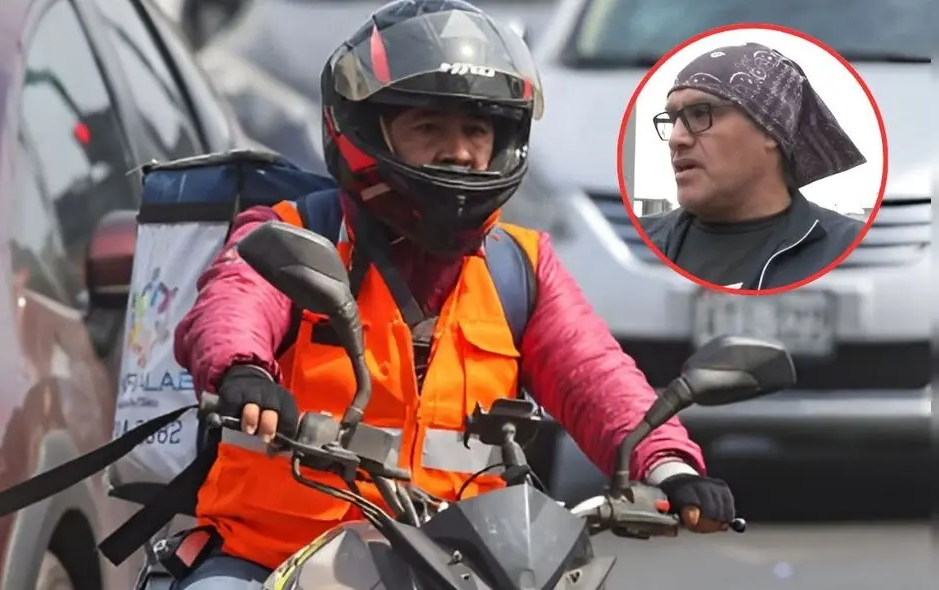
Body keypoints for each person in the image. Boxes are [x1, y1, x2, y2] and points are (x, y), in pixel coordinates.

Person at [171, 1, 734, 587]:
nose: (459, 151)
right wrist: (242, 371)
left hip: (464, 568)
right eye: (428, 128)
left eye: (476, 130)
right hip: (270, 558)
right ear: (364, 131)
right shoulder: (289, 235)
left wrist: (666, 464)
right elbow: (235, 301)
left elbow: (595, 376)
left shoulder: (521, 268)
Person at [642, 41, 867, 290]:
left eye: (700, 113)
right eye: (673, 119)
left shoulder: (852, 249)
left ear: (770, 129)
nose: (676, 138)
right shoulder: (634, 243)